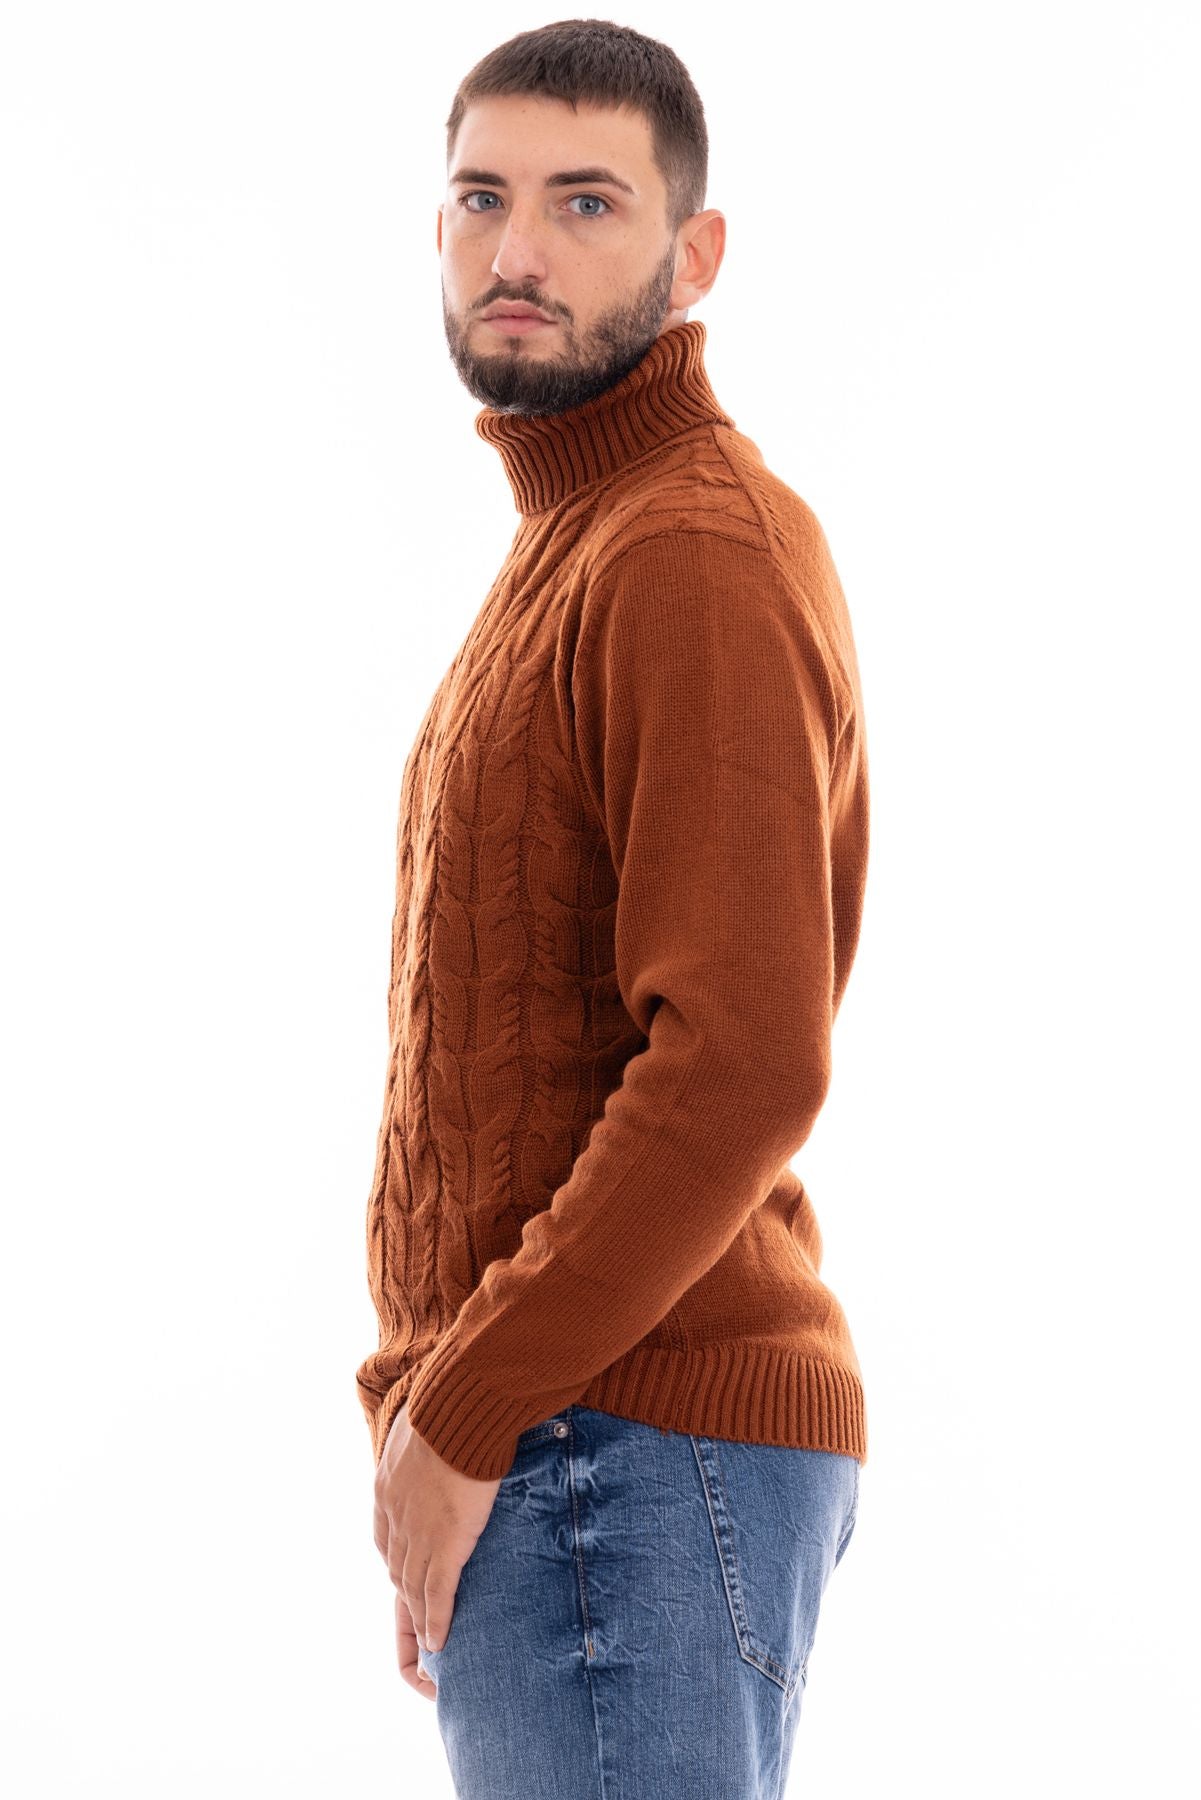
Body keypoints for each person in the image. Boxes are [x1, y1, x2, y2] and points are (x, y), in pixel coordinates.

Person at [358, 19, 871, 1797]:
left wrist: (466, 1408)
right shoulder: (577, 542)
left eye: (585, 202)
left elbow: (740, 1061)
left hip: (614, 1441)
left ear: (691, 253)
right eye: (479, 198)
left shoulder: (682, 548)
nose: (517, 249)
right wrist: (438, 1425)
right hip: (576, 1444)